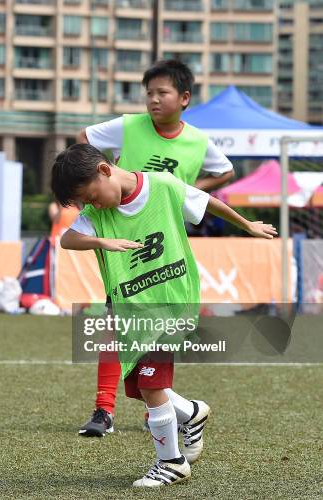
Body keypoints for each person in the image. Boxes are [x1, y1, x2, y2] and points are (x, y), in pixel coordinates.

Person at [51, 143, 275, 487]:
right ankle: (192, 413)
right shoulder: (97, 216)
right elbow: (68, 239)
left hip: (171, 300)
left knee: (153, 386)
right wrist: (102, 243)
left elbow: (205, 201)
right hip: (132, 308)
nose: (92, 205)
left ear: (104, 170)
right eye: (86, 202)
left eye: (92, 196)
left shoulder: (163, 185)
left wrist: (246, 225)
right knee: (137, 387)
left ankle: (171, 462)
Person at [75, 59, 235, 438]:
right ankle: (103, 409)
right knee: (116, 323)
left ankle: (157, 407)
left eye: (162, 92)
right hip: (123, 238)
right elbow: (84, 138)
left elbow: (225, 170)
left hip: (168, 241)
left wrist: (186, 195)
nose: (153, 100)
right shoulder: (128, 126)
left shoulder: (197, 140)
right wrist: (106, 175)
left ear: (184, 98)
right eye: (148, 93)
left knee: (161, 326)